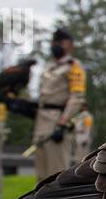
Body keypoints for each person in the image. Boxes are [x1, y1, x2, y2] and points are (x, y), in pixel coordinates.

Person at [33, 28, 86, 183]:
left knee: (55, 172)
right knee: (40, 172)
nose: (55, 45)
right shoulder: (49, 67)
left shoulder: (74, 67)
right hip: (41, 120)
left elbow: (76, 97)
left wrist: (63, 123)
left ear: (70, 45)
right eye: (54, 42)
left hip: (57, 121)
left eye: (60, 42)